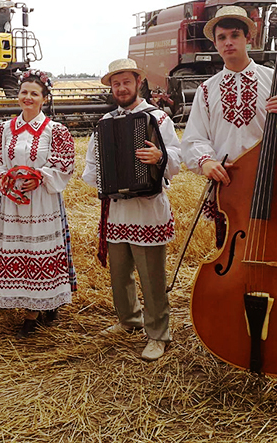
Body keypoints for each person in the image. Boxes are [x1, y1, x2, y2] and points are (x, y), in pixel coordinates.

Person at [181, 5, 277, 246]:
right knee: (229, 253)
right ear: (215, 44)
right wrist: (207, 162)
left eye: (235, 35)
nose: (228, 42)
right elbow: (194, 139)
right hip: (229, 187)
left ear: (248, 38)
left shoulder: (274, 79)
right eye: (222, 37)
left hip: (272, 183)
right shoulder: (206, 90)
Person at [82, 58, 182, 362]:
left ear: (138, 83)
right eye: (116, 84)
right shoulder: (104, 123)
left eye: (126, 82)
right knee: (120, 273)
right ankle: (129, 320)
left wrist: (159, 156)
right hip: (117, 210)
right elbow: (91, 166)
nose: (121, 88)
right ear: (111, 88)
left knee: (151, 277)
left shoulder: (157, 118)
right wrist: (106, 178)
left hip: (147, 209)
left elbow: (177, 157)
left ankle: (158, 334)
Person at [0, 70, 77, 338]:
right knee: (21, 249)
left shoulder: (54, 130)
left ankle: (36, 310)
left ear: (44, 98)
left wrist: (39, 176)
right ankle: (36, 306)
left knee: (40, 249)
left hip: (42, 201)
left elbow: (64, 165)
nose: (28, 97)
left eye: (34, 93)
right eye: (24, 92)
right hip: (13, 202)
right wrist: (4, 178)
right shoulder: (4, 129)